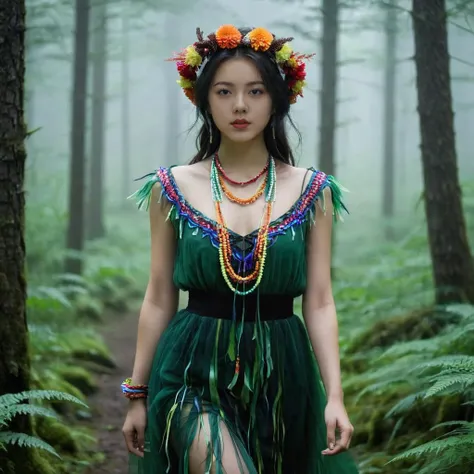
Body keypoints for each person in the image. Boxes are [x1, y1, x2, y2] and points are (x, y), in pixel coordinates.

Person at [122, 24, 359, 474]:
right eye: (224, 91)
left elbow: (321, 301)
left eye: (255, 91)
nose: (240, 106)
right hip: (190, 368)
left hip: (284, 373)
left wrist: (335, 396)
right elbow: (158, 295)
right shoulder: (169, 188)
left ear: (277, 98)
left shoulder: (315, 191)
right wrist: (137, 393)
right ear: (204, 99)